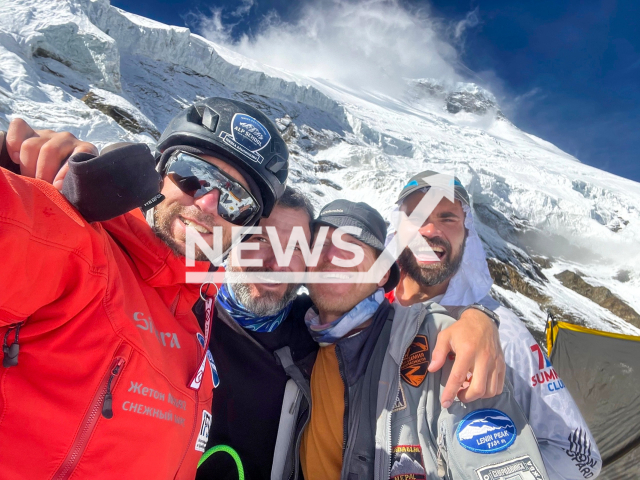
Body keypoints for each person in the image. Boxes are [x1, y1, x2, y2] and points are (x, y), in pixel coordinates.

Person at [0, 97, 288, 479]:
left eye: (235, 202)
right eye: (192, 174)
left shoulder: (197, 323)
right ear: (159, 172)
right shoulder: (81, 245)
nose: (207, 203)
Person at [274, 199, 551, 480]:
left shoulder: (436, 341)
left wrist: (479, 317)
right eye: (319, 246)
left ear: (383, 273)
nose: (332, 256)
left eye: (352, 248)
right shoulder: (297, 334)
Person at [388, 170, 602, 480]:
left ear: (467, 233)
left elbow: (581, 457)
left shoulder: (503, 331)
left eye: (448, 218)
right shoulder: (369, 315)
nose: (430, 230)